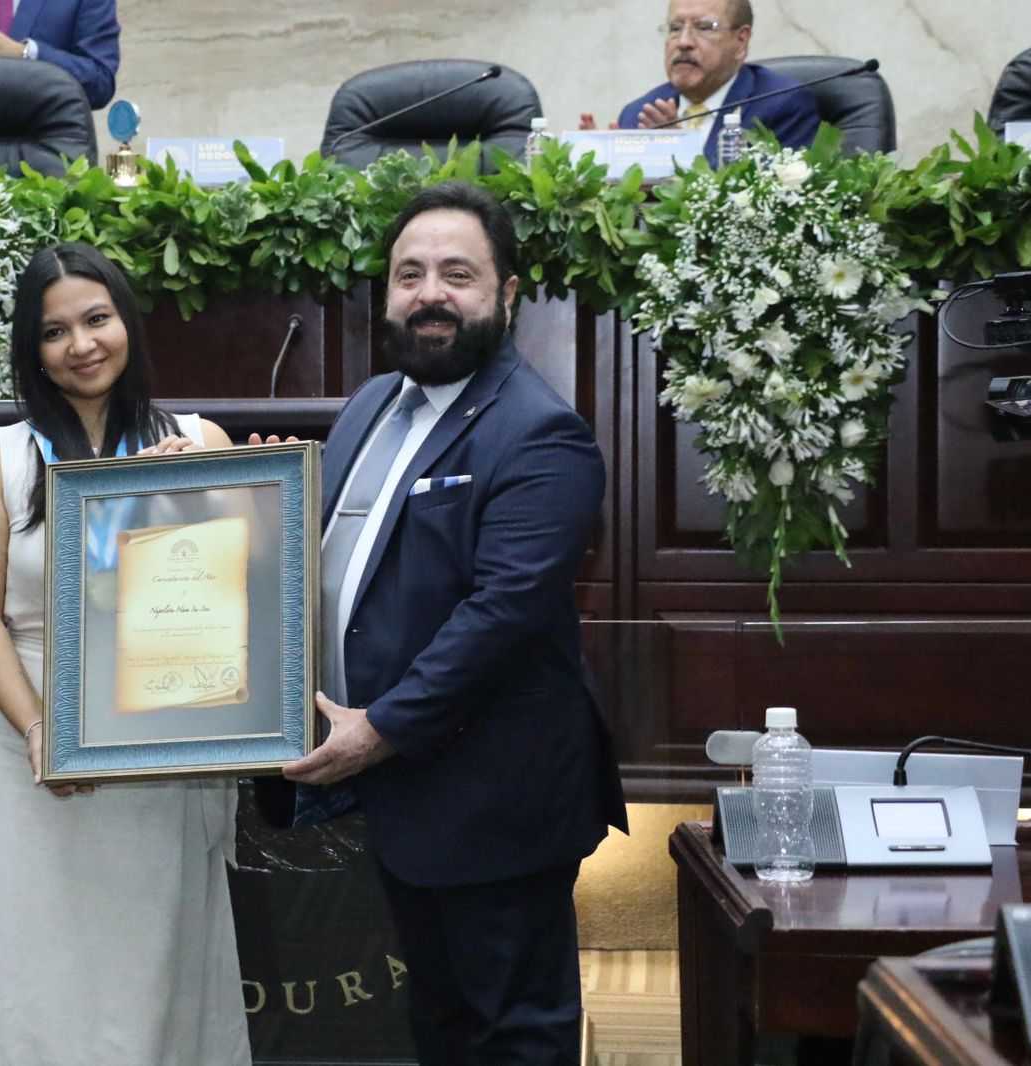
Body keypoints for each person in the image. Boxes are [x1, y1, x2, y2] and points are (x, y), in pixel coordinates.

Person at [259, 182, 627, 1065]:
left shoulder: (541, 434)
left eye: (457, 274)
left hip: (494, 802)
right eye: (410, 274)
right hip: (405, 803)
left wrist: (380, 728)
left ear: (507, 293)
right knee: (442, 1028)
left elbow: (500, 617)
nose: (430, 294)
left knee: (511, 1035)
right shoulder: (370, 406)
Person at [0, 242, 251, 1065]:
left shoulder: (197, 440)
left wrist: (198, 495)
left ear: (127, 324)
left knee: (153, 966)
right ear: (31, 349)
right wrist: (39, 726)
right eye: (54, 332)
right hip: (34, 746)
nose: (80, 345)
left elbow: (238, 597)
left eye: (96, 319)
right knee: (32, 963)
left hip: (160, 746)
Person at [579, 0, 817, 165]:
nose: (683, 42)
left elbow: (765, 208)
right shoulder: (638, 114)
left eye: (704, 27)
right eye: (675, 28)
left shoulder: (783, 107)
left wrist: (679, 152)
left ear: (741, 41)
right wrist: (602, 168)